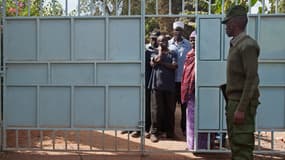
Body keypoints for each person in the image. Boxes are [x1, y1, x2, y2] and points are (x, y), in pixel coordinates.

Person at [222, 5, 260, 160]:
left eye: (227, 23)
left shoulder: (247, 45)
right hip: (234, 101)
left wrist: (241, 108)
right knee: (236, 144)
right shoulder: (237, 44)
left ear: (234, 23)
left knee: (242, 147)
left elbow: (252, 78)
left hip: (240, 103)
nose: (225, 27)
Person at [181, 31, 209, 150]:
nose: (193, 41)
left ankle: (203, 145)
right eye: (191, 39)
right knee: (191, 119)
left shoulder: (206, 55)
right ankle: (191, 145)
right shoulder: (190, 54)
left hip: (203, 91)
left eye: (195, 39)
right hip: (191, 92)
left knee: (204, 118)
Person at [148, 34, 178, 142]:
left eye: (164, 41)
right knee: (156, 110)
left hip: (169, 86)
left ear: (167, 41)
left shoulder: (173, 53)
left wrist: (163, 63)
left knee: (170, 110)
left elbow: (174, 66)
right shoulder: (155, 52)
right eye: (160, 41)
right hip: (156, 85)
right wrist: (160, 52)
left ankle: (170, 132)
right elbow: (153, 63)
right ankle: (154, 133)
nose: (162, 43)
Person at [131, 30, 160, 138]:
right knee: (138, 106)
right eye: (152, 38)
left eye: (155, 39)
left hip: (151, 82)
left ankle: (146, 129)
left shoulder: (158, 51)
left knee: (148, 107)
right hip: (139, 81)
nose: (153, 41)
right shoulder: (144, 49)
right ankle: (136, 128)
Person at [168, 21, 191, 136]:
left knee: (184, 107)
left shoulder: (189, 44)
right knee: (171, 107)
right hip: (171, 81)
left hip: (184, 81)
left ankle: (185, 129)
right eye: (176, 30)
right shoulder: (167, 44)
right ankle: (170, 131)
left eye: (180, 30)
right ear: (173, 31)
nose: (178, 32)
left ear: (183, 31)